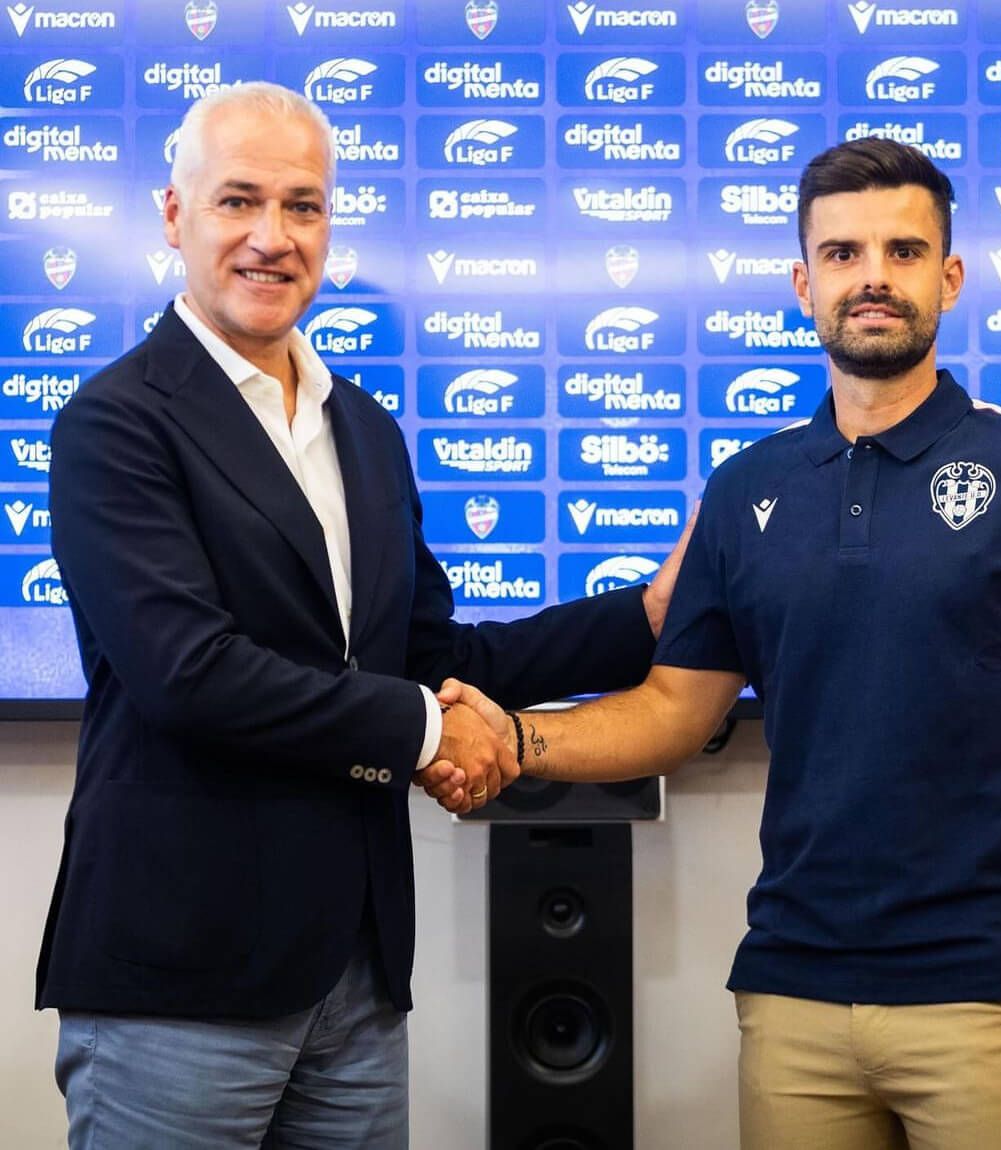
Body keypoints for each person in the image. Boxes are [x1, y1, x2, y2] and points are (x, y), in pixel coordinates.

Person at [423, 138, 1001, 1149]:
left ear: (950, 278)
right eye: (843, 253)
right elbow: (674, 710)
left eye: (905, 252)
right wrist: (518, 740)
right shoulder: (744, 487)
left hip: (995, 997)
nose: (873, 277)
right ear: (802, 281)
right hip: (792, 995)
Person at [37, 81, 688, 1149]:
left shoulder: (364, 430)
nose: (272, 237)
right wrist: (435, 733)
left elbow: (434, 653)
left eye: (304, 206)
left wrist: (644, 618)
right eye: (238, 201)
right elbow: (188, 673)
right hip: (181, 980)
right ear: (173, 215)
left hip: (356, 974)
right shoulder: (116, 422)